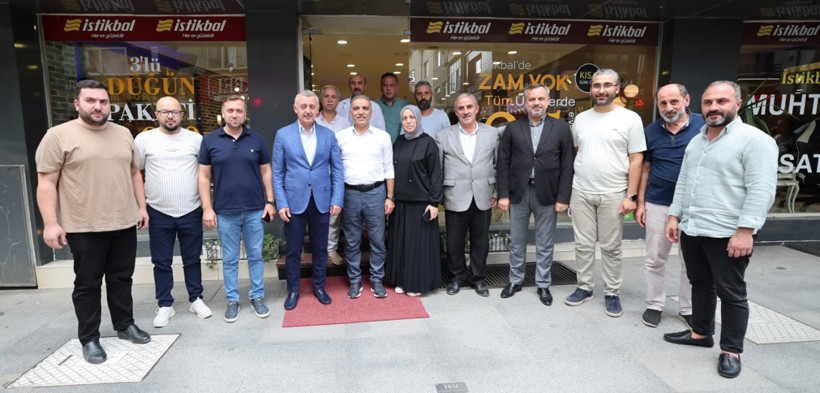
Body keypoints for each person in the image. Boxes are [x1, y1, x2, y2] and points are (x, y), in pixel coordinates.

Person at [662, 80, 777, 379]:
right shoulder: (697, 140)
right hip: (694, 227)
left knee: (732, 293)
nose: (714, 107)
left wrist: (745, 231)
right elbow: (684, 182)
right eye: (708, 102)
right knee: (700, 283)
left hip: (729, 233)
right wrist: (675, 217)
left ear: (737, 104)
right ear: (699, 106)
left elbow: (761, 190)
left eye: (721, 101)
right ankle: (701, 333)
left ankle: (731, 350)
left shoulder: (755, 141)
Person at [35, 79, 151, 364]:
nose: (98, 106)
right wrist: (51, 223)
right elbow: (46, 182)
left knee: (121, 278)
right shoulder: (57, 135)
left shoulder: (123, 133)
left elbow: (135, 173)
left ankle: (125, 325)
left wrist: (142, 207)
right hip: (83, 225)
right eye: (91, 101)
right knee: (87, 284)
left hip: (123, 221)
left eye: (103, 101)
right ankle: (89, 338)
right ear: (77, 104)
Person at [565, 68, 646, 317]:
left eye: (606, 85)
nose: (601, 90)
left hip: (613, 193)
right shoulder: (581, 119)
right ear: (591, 90)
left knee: (611, 247)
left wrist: (631, 196)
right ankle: (585, 287)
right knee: (583, 244)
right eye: (596, 86)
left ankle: (612, 292)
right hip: (581, 191)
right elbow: (577, 152)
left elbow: (636, 160)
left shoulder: (630, 119)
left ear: (617, 89)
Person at [135, 96, 212, 328]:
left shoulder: (196, 139)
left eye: (175, 112)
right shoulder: (144, 139)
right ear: (156, 114)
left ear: (182, 114)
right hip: (158, 210)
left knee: (192, 259)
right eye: (165, 111)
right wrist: (141, 207)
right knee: (161, 261)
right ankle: (165, 304)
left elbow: (205, 173)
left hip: (190, 208)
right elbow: (136, 173)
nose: (170, 116)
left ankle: (196, 299)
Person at [198, 95, 276, 323]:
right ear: (223, 113)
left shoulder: (256, 138)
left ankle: (257, 297)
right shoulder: (210, 140)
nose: (235, 114)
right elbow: (203, 176)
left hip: (254, 209)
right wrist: (207, 208)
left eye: (239, 111)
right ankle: (232, 301)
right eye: (230, 110)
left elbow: (266, 171)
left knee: (255, 256)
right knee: (230, 259)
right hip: (225, 210)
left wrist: (270, 201)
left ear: (245, 114)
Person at [497, 84, 574, 305]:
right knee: (517, 241)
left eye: (540, 99)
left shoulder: (560, 128)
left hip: (548, 194)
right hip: (519, 193)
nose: (536, 103)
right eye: (532, 99)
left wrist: (563, 198)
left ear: (548, 102)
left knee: (545, 242)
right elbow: (503, 163)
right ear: (525, 103)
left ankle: (543, 285)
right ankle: (515, 280)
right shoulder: (513, 128)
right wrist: (503, 194)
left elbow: (567, 165)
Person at [636, 84, 704, 328]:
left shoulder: (705, 126)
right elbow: (645, 169)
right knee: (655, 258)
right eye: (663, 103)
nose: (669, 107)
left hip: (694, 206)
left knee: (692, 261)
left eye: (674, 101)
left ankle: (688, 308)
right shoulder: (651, 131)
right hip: (658, 202)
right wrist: (640, 203)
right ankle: (654, 304)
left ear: (687, 99)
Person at [272, 90, 344, 310]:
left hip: (322, 199)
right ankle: (293, 290)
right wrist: (281, 202)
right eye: (303, 106)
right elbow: (277, 172)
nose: (308, 110)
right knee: (294, 250)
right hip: (293, 201)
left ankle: (319, 287)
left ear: (318, 109)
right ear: (296, 109)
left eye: (312, 106)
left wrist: (337, 198)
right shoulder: (283, 135)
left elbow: (338, 170)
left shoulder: (328, 135)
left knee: (320, 248)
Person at [436, 93, 498, 297]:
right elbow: (439, 168)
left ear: (477, 109)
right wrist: (439, 196)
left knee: (481, 241)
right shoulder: (444, 135)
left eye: (469, 107)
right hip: (455, 194)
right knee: (454, 241)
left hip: (483, 194)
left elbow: (497, 165)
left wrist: (496, 191)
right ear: (456, 112)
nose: (466, 111)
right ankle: (456, 277)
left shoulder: (491, 133)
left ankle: (478, 278)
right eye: (461, 108)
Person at [336, 95, 395, 299]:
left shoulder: (382, 136)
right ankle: (354, 281)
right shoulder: (341, 137)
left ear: (371, 112)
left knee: (378, 240)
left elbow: (389, 167)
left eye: (364, 108)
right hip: (349, 193)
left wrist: (390, 197)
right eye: (356, 108)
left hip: (376, 193)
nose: (360, 112)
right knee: (352, 241)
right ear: (350, 112)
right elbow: (334, 169)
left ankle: (377, 280)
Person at [385, 105, 443, 296]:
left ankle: (416, 284)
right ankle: (402, 280)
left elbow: (436, 175)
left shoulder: (428, 143)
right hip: (400, 202)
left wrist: (434, 203)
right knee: (401, 245)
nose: (409, 121)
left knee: (417, 247)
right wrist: (391, 197)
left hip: (421, 203)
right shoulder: (399, 141)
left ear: (418, 119)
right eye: (405, 118)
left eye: (412, 117)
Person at [316, 85, 351, 266]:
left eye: (333, 97)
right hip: (318, 177)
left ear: (338, 100)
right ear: (321, 100)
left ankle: (331, 249)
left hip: (338, 177)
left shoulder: (345, 123)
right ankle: (319, 250)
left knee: (335, 215)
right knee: (318, 214)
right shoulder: (313, 121)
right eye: (326, 96)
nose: (330, 99)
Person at [376, 72, 411, 142]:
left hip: (401, 148)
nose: (388, 88)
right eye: (385, 85)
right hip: (379, 147)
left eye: (391, 85)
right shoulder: (374, 106)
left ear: (397, 88)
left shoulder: (406, 105)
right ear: (381, 88)